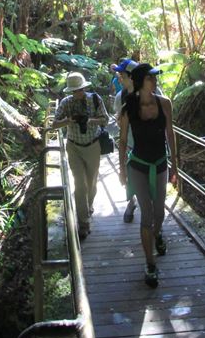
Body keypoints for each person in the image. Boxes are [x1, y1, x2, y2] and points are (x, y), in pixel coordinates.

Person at [119, 63, 178, 288]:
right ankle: (150, 263)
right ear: (141, 81)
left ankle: (157, 233)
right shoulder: (128, 108)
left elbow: (170, 134)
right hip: (138, 165)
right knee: (147, 212)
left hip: (160, 164)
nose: (154, 81)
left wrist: (175, 166)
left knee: (159, 212)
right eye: (150, 78)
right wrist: (122, 170)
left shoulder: (164, 104)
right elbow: (123, 140)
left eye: (155, 78)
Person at [51, 71, 109, 241]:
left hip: (93, 146)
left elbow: (105, 120)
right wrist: (69, 121)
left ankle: (89, 206)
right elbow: (54, 124)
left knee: (91, 183)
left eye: (80, 89)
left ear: (84, 87)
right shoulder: (66, 103)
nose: (78, 93)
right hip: (74, 147)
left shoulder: (95, 99)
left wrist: (89, 120)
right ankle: (83, 224)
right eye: (74, 91)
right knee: (80, 184)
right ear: (70, 91)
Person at [112, 58, 139, 222]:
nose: (119, 78)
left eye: (122, 75)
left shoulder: (152, 93)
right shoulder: (120, 97)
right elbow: (118, 120)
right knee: (129, 177)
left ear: (132, 76)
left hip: (149, 145)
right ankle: (131, 202)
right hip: (129, 144)